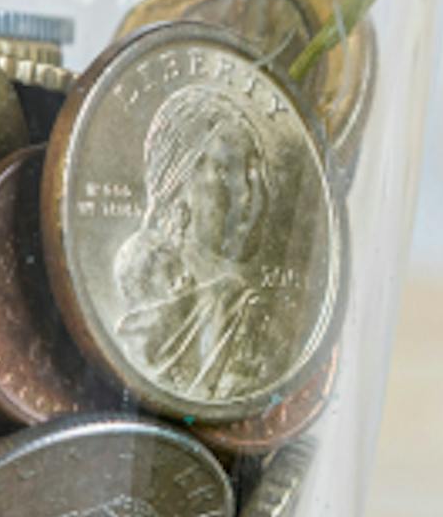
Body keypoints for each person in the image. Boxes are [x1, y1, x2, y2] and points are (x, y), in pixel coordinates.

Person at [110, 81, 300, 402]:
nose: (254, 191)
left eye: (256, 170)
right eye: (228, 171)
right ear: (177, 186)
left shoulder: (265, 324)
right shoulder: (144, 324)